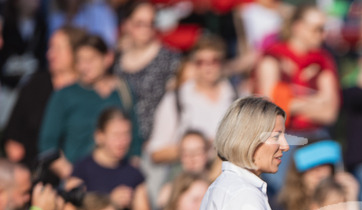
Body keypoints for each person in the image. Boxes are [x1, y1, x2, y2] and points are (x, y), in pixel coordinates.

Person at [255, 5, 339, 195]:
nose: (322, 35)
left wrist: (290, 99)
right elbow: (272, 110)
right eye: (317, 29)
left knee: (321, 195)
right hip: (284, 137)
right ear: (298, 27)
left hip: (316, 136)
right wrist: (316, 100)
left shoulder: (323, 60)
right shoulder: (273, 57)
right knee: (283, 196)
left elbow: (330, 113)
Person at [38, 33, 141, 167]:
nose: (84, 67)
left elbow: (135, 139)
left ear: (108, 58)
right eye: (80, 61)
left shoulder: (123, 91)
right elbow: (48, 144)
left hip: (119, 174)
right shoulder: (65, 95)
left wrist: (132, 172)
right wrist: (70, 174)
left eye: (91, 60)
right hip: (79, 174)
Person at [147, 34, 236, 169]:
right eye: (201, 62)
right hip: (190, 174)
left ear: (223, 62)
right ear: (193, 64)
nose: (208, 67)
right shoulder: (176, 98)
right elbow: (156, 153)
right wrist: (195, 148)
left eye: (214, 61)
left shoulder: (236, 97)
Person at [2, 25, 85, 166]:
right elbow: (13, 138)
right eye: (50, 48)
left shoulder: (86, 88)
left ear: (76, 51)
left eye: (58, 49)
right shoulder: (36, 83)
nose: (50, 54)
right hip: (34, 167)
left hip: (78, 167)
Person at [69, 107, 152, 210]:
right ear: (99, 136)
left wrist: (132, 206)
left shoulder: (134, 173)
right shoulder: (82, 170)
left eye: (126, 134)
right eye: (116, 135)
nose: (122, 141)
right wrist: (109, 202)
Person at [114, 1, 180, 145]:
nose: (146, 29)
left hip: (159, 142)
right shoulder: (117, 62)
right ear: (127, 25)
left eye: (151, 23)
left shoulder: (170, 59)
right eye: (140, 24)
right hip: (125, 142)